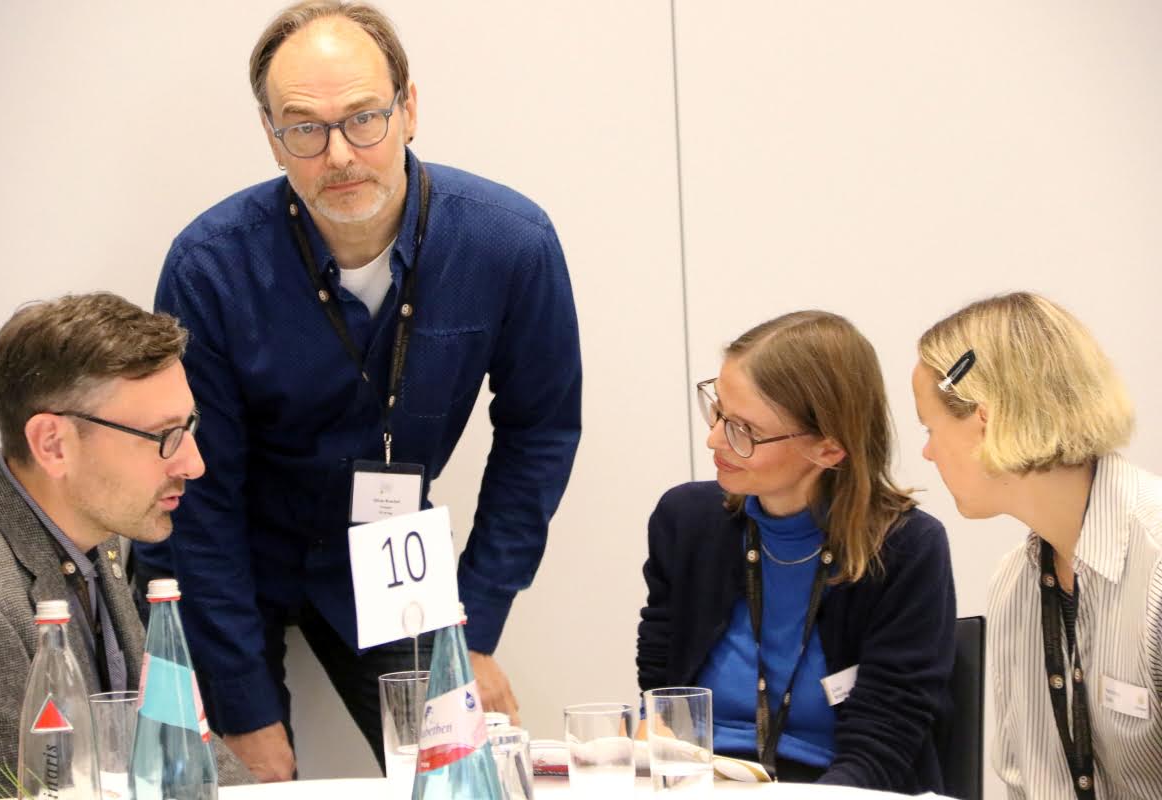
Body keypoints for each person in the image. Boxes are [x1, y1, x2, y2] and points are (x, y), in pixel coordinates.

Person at [131, 0, 582, 780]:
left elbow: (540, 434)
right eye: (305, 128)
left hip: (390, 555)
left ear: (409, 109)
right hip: (234, 558)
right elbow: (200, 498)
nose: (339, 155)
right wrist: (245, 709)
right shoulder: (210, 266)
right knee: (251, 781)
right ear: (271, 135)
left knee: (459, 774)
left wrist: (472, 625)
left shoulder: (510, 244)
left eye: (364, 119)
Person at [638, 310, 956, 792]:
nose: (714, 438)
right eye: (719, 412)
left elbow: (884, 743)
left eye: (744, 429)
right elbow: (661, 688)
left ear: (829, 449)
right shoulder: (686, 522)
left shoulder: (905, 549)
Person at [0, 293, 252, 795]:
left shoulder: (98, 530)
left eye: (188, 427)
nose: (193, 463)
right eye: (163, 436)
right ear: (53, 444)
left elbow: (176, 736)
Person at [914, 292, 1162, 799]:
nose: (928, 452)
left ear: (985, 420)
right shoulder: (1016, 582)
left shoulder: (1155, 565)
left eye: (931, 428)